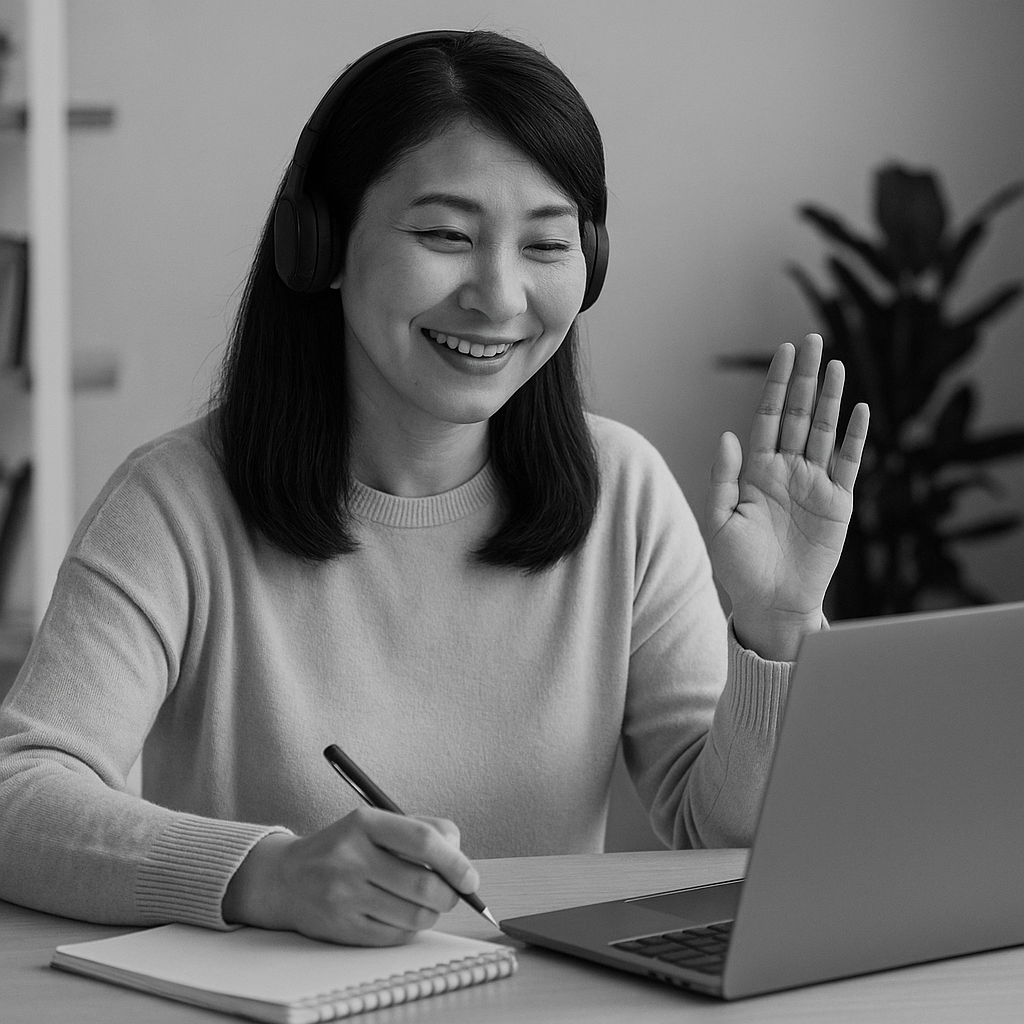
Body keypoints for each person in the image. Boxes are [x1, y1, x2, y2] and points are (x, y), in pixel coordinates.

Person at [0, 30, 868, 948]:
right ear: (319, 242)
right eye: (445, 235)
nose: (498, 296)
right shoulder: (177, 503)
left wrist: (774, 628)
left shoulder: (624, 493)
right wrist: (268, 874)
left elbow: (720, 834)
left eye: (547, 244)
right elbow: (18, 793)